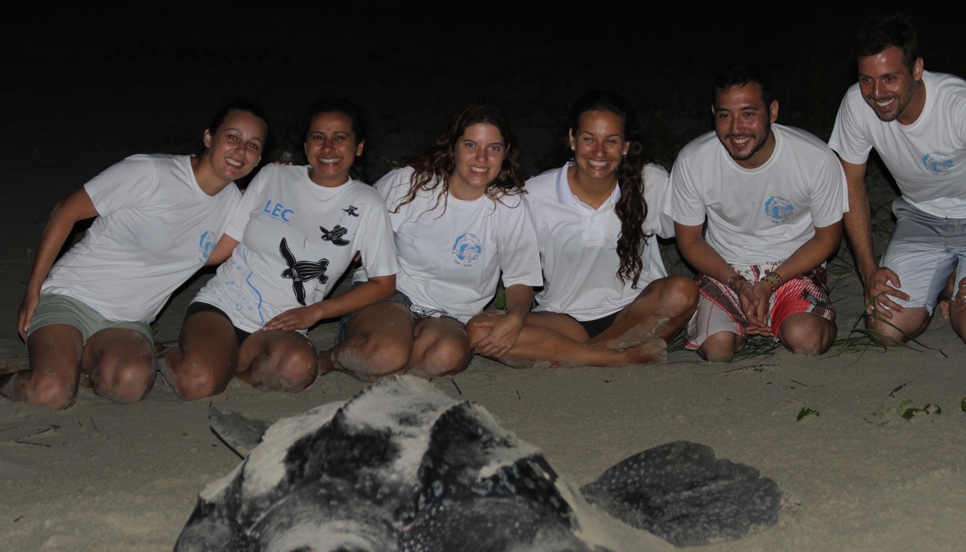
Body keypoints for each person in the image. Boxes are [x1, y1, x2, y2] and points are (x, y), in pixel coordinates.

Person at [0, 102, 268, 409]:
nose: (240, 151)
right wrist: (33, 291)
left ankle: (76, 367)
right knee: (51, 393)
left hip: (127, 322)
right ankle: (9, 377)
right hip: (72, 298)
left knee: (130, 384)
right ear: (209, 137)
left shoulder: (234, 205)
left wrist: (279, 180)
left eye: (253, 145)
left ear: (259, 159)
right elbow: (65, 212)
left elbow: (212, 255)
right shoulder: (151, 172)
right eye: (232, 137)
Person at [159, 99, 397, 399]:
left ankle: (222, 363)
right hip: (223, 307)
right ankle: (168, 354)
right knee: (197, 384)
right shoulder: (274, 176)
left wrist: (315, 312)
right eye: (318, 137)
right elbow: (223, 247)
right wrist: (161, 258)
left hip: (283, 325)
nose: (328, 147)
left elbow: (383, 283)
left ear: (358, 146)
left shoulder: (368, 204)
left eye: (340, 137)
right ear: (306, 145)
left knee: (298, 369)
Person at [829, 12, 966, 350]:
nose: (877, 93)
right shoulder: (856, 105)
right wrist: (869, 270)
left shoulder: (963, 105)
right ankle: (947, 282)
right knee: (885, 329)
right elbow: (851, 186)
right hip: (920, 218)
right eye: (866, 80)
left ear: (917, 69)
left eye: (890, 78)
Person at [318, 100, 541, 380]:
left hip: (451, 314)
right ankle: (330, 359)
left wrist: (516, 317)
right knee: (386, 354)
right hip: (391, 294)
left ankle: (387, 360)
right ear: (453, 145)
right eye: (471, 145)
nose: (481, 158)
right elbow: (349, 218)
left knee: (446, 355)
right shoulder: (412, 183)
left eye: (493, 148)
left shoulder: (510, 205)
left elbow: (520, 278)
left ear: (505, 152)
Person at [480, 90, 697, 368]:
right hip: (565, 318)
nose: (599, 152)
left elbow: (691, 232)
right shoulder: (536, 194)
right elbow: (516, 268)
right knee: (480, 330)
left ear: (626, 145)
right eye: (588, 139)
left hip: (637, 312)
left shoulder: (650, 182)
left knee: (683, 291)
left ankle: (585, 355)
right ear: (572, 139)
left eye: (611, 141)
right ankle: (620, 355)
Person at [670, 63, 846, 361]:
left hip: (792, 268)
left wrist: (770, 283)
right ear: (713, 113)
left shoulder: (814, 158)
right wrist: (737, 283)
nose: (736, 128)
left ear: (772, 112)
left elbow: (827, 238)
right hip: (726, 271)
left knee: (806, 339)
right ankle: (740, 323)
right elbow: (689, 240)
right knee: (717, 348)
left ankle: (796, 314)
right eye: (725, 115)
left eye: (748, 114)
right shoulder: (693, 161)